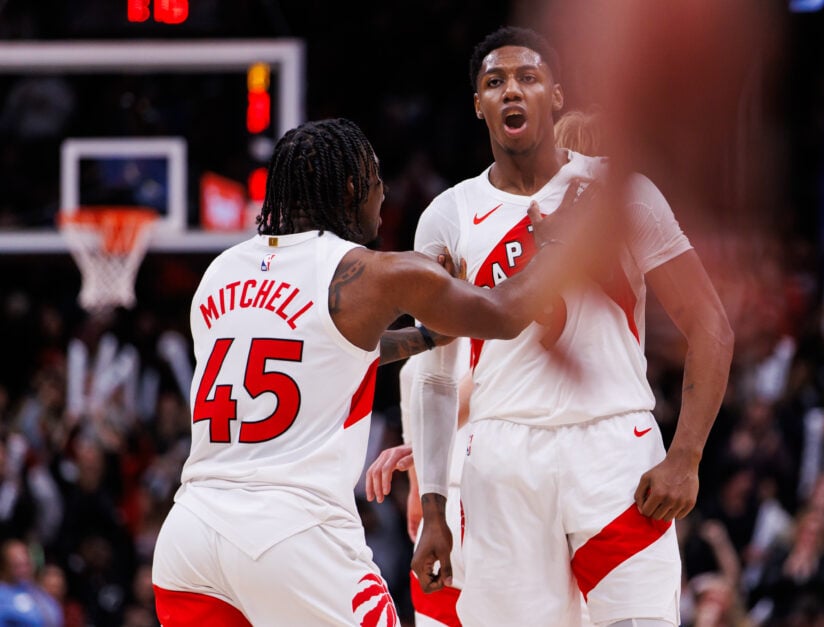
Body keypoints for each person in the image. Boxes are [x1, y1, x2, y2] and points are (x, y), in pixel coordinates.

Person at [149, 117, 601, 626]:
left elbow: (312, 350)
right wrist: (561, 246)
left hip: (189, 536)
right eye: (377, 179)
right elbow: (504, 314)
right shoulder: (372, 273)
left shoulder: (220, 271)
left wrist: (424, 338)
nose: (383, 194)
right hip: (291, 535)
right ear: (351, 189)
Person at [406, 27, 733, 627]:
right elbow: (433, 373)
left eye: (528, 78)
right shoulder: (448, 214)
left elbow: (710, 324)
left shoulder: (622, 192)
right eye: (494, 82)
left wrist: (686, 455)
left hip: (614, 449)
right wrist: (434, 509)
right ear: (477, 104)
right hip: (501, 455)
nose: (512, 92)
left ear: (556, 96)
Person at [365, 109, 607, 627]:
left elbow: (490, 381)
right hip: (512, 482)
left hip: (487, 484)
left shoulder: (511, 260)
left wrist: (429, 457)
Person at [0, 539, 63, 627]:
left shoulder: (37, 592)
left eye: (26, 564)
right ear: (4, 566)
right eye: (17, 565)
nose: (23, 570)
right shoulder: (3, 595)